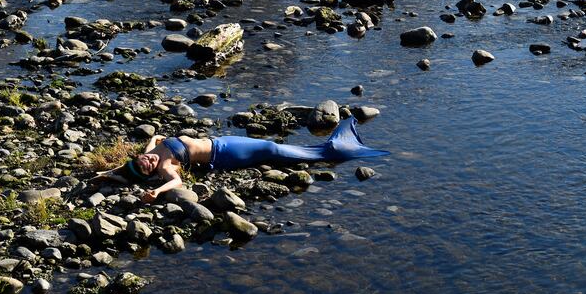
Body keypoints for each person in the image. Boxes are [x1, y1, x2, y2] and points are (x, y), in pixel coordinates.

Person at [89, 117, 388, 203]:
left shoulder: (153, 149)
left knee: (272, 146)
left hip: (225, 141)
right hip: (226, 154)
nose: (150, 162)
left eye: (145, 160)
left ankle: (328, 149)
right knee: (272, 150)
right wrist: (157, 190)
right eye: (148, 168)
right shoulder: (167, 167)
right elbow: (177, 182)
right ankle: (332, 151)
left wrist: (109, 174)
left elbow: (151, 141)